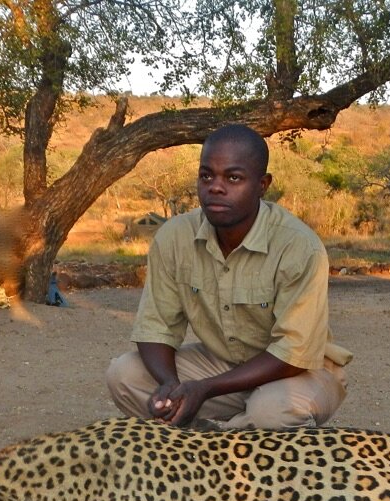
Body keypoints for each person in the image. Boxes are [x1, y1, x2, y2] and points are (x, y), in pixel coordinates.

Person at [106, 124, 351, 429]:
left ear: (262, 185)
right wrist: (171, 384)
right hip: (220, 366)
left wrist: (206, 388)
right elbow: (156, 328)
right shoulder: (174, 238)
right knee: (125, 374)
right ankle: (217, 441)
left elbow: (293, 354)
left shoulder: (298, 246)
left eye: (233, 178)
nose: (215, 187)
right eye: (206, 175)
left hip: (300, 372)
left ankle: (222, 438)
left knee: (271, 414)